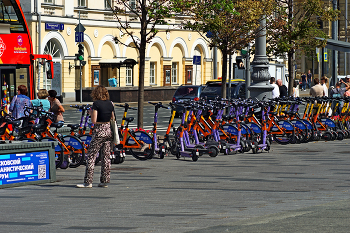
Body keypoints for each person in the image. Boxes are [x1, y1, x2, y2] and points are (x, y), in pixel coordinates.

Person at [76, 85, 114, 188]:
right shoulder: (110, 103)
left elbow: (94, 120)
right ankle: (104, 181)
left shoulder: (96, 104)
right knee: (106, 157)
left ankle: (88, 182)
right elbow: (112, 118)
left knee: (92, 156)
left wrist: (91, 112)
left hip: (99, 131)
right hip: (108, 130)